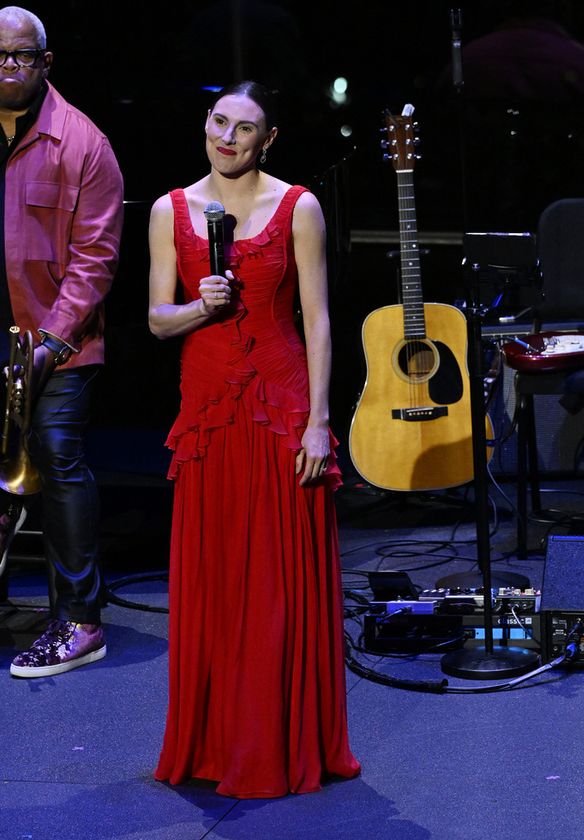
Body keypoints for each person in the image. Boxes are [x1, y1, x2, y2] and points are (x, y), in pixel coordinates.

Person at [149, 80, 360, 798]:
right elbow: (157, 319)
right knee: (213, 577)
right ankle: (215, 744)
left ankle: (276, 740)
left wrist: (320, 421)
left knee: (275, 582)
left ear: (267, 140)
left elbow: (317, 319)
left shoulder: (299, 206)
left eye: (244, 129)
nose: (227, 138)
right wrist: (196, 307)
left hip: (280, 403)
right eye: (218, 122)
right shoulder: (169, 209)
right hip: (209, 409)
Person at [0, 6, 124, 677]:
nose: (7, 67)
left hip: (58, 338)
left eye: (20, 55)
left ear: (45, 62)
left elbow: (95, 260)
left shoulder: (83, 143)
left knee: (55, 452)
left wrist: (49, 342)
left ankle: (80, 621)